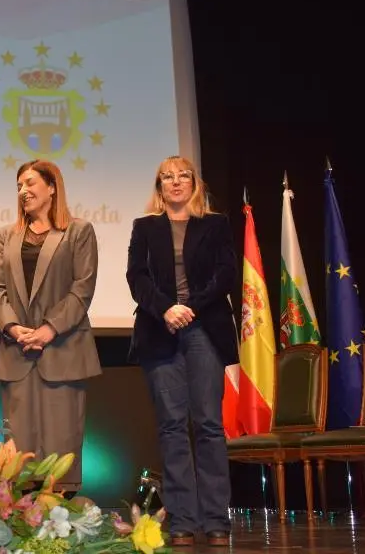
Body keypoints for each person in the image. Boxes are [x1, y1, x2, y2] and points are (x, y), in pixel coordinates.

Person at [125, 155, 236, 548]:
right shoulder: (144, 227)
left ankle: (217, 520)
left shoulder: (216, 224)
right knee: (172, 427)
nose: (175, 182)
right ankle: (183, 521)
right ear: (159, 187)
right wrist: (166, 309)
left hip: (205, 329)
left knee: (207, 424)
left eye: (183, 176)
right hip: (159, 331)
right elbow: (135, 276)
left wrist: (190, 308)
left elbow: (226, 273)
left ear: (194, 184)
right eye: (167, 177)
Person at [0, 159, 101, 493]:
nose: (23, 191)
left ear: (52, 187)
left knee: (61, 444)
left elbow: (83, 287)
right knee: (19, 453)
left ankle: (59, 525)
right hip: (17, 352)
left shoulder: (78, 231)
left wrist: (50, 329)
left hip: (63, 350)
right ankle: (24, 523)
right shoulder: (7, 235)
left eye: (30, 183)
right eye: (19, 185)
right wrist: (12, 327)